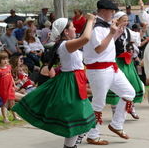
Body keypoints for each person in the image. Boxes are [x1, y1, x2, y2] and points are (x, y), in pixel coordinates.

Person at [13, 13, 97, 148]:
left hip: (75, 81)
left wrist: (93, 23)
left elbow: (86, 39)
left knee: (84, 115)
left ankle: (75, 140)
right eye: (73, 27)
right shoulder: (65, 45)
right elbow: (86, 37)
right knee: (76, 116)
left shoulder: (69, 44)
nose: (75, 29)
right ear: (65, 31)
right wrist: (90, 20)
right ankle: (71, 144)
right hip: (70, 82)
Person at [83, 0, 135, 145]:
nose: (113, 15)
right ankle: (93, 135)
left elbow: (108, 44)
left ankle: (116, 124)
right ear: (103, 11)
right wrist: (112, 32)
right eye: (111, 12)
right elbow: (99, 49)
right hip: (98, 69)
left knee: (129, 92)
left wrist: (116, 33)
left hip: (111, 68)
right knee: (98, 103)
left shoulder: (105, 26)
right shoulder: (95, 27)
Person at [105, 11, 145, 120]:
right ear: (117, 20)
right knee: (115, 86)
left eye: (127, 20)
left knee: (133, 82)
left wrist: (144, 30)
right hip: (116, 60)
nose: (126, 23)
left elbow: (137, 40)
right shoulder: (111, 31)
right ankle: (115, 112)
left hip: (127, 61)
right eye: (124, 20)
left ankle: (132, 107)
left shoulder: (128, 31)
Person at [0, 51, 22, 123]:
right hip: (2, 89)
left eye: (6, 59)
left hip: (10, 88)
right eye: (3, 59)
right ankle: (5, 118)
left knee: (12, 102)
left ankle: (15, 116)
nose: (6, 61)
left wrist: (14, 85)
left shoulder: (9, 68)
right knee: (4, 103)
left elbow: (11, 76)